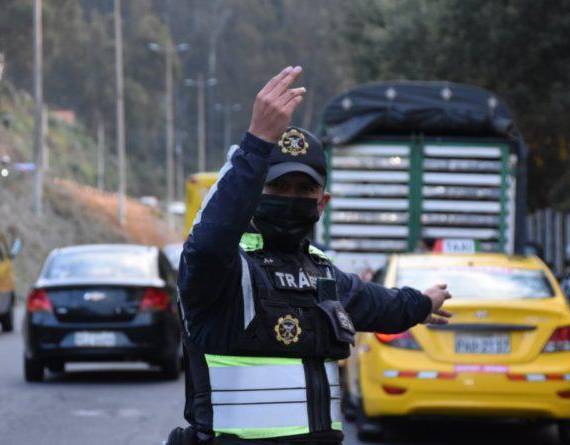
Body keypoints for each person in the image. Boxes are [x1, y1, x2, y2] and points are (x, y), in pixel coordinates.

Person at [167, 66, 452, 445]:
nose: (290, 197)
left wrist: (420, 303)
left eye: (304, 189)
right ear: (254, 194)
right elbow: (207, 241)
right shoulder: (223, 271)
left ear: (323, 203)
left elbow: (378, 304)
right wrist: (255, 143)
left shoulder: (321, 274)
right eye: (278, 186)